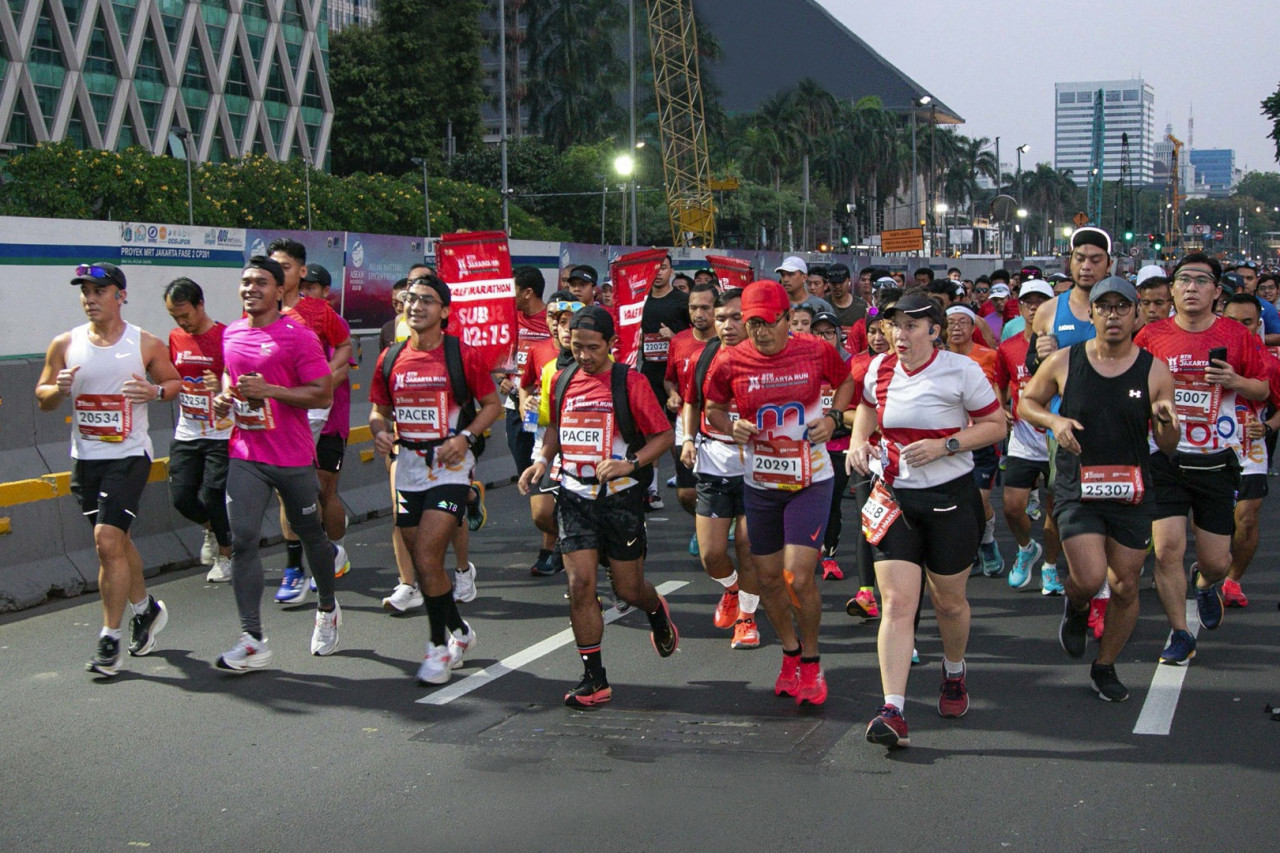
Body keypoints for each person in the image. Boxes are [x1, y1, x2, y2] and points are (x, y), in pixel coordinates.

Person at [847, 291, 1005, 748]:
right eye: (895, 324)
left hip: (950, 499)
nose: (899, 334)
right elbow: (867, 408)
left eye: (911, 325)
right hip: (895, 496)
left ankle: (953, 672)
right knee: (897, 603)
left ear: (935, 331)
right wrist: (858, 442)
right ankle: (892, 709)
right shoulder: (879, 368)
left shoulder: (962, 370)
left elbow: (996, 425)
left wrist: (945, 445)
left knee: (949, 603)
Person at [1020, 276, 1179, 701]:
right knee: (1090, 578)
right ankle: (1076, 606)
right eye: (1104, 307)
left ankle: (1105, 665)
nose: (1113, 315)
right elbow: (1027, 402)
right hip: (1078, 485)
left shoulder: (1154, 370)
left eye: (1122, 307)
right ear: (1091, 314)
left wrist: (1166, 422)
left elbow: (1168, 444)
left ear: (1137, 315)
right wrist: (1054, 421)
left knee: (1125, 585)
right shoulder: (1065, 361)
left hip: (1131, 488)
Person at [517, 306, 679, 707]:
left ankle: (655, 610)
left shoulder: (630, 382)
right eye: (577, 347)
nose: (584, 355)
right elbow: (554, 428)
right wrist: (541, 461)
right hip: (574, 495)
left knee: (628, 588)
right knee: (580, 586)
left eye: (593, 347)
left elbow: (664, 436)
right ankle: (595, 680)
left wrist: (630, 463)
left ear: (612, 344)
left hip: (620, 498)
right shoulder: (560, 377)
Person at [704, 281, 856, 707]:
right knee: (769, 578)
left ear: (788, 318)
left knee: (797, 576)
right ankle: (790, 652)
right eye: (752, 324)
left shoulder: (816, 350)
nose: (760, 332)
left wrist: (834, 417)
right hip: (760, 483)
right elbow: (713, 408)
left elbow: (846, 381)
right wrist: (729, 425)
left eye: (768, 323)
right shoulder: (729, 359)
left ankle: (812, 660)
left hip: (811, 480)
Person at [36, 262, 181, 676]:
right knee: (116, 544)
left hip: (129, 456)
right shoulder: (65, 343)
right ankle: (145, 609)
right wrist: (58, 389)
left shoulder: (145, 343)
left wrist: (153, 391)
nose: (90, 299)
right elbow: (43, 396)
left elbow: (174, 384)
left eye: (99, 291)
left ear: (121, 295)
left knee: (106, 541)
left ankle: (109, 639)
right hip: (86, 460)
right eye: (85, 291)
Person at [1135, 255, 1272, 664]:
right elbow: (1131, 387)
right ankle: (1180, 632)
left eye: (1201, 280)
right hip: (1166, 456)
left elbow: (1263, 389)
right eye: (1183, 280)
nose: (1191, 287)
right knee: (1167, 550)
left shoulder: (1236, 334)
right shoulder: (1151, 336)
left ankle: (1206, 583)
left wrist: (1235, 381)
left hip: (1216, 458)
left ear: (1216, 291)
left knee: (1216, 561)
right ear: (1172, 290)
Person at [369, 273, 502, 685]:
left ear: (444, 311)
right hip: (407, 467)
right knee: (424, 564)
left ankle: (436, 648)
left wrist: (465, 438)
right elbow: (378, 410)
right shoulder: (390, 357)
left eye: (426, 300)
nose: (416, 306)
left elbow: (492, 405)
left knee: (428, 556)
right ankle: (460, 630)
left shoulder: (462, 355)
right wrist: (379, 431)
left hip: (450, 467)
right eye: (411, 299)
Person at [210, 256, 337, 671]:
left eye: (261, 282)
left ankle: (327, 607)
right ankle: (252, 639)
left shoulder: (298, 337)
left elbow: (322, 394)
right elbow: (231, 374)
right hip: (246, 453)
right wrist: (226, 396)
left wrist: (272, 391)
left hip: (292, 455)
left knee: (311, 534)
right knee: (243, 539)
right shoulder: (231, 333)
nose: (251, 288)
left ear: (280, 291)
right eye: (246, 281)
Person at [266, 239, 354, 604]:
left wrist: (325, 378)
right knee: (287, 490)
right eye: (272, 266)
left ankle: (331, 549)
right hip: (280, 411)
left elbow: (346, 348)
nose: (277, 273)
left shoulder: (318, 312)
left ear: (300, 272)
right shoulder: (259, 311)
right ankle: (297, 567)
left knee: (322, 491)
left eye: (285, 267)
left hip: (324, 416)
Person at [680, 287, 764, 648]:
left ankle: (747, 617)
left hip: (757, 467)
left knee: (747, 546)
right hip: (713, 462)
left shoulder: (767, 358)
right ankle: (732, 588)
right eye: (720, 318)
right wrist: (687, 439)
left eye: (735, 318)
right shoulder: (707, 355)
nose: (727, 325)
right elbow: (692, 402)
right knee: (711, 554)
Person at [994, 279, 1063, 594]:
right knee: (1012, 507)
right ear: (1019, 308)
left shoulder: (1065, 344)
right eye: (1028, 302)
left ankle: (1050, 566)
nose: (1034, 308)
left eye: (1041, 302)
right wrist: (1000, 408)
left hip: (1057, 438)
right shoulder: (1008, 347)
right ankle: (1026, 548)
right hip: (1023, 437)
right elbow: (1000, 382)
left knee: (1054, 510)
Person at [163, 277, 233, 583]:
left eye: (185, 315)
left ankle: (226, 556)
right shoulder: (175, 338)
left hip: (221, 430)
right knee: (181, 498)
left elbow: (237, 377)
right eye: (175, 317)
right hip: (188, 430)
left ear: (200, 305)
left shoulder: (225, 336)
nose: (181, 322)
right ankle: (211, 528)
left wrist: (221, 388)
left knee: (214, 493)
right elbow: (171, 376)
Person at [1219, 292, 1280, 608]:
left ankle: (1233, 580)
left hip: (1249, 449)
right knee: (1212, 520)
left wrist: (1268, 427)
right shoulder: (1202, 354)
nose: (1240, 329)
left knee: (1247, 516)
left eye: (1247, 322)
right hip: (1205, 448)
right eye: (1232, 321)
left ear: (1258, 325)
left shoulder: (1269, 362)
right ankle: (1211, 565)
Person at [520, 292, 580, 576]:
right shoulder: (540, 354)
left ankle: (565, 550)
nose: (560, 325)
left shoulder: (596, 356)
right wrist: (527, 408)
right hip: (546, 439)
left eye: (568, 319)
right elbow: (526, 387)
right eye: (555, 318)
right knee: (541, 513)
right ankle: (568, 544)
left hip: (583, 448)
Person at [943, 305, 1003, 577]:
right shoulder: (937, 358)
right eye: (951, 323)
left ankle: (987, 541)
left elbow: (1001, 385)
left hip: (981, 440)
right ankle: (970, 552)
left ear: (972, 327)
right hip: (949, 441)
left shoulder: (989, 356)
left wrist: (1000, 410)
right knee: (958, 504)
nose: (956, 328)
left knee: (978, 501)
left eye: (962, 322)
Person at [665, 282, 720, 534]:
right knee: (686, 493)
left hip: (719, 424)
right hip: (686, 422)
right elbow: (669, 379)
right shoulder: (679, 341)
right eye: (693, 307)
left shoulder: (728, 341)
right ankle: (707, 523)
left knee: (721, 485)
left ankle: (712, 529)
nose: (699, 314)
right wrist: (673, 394)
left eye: (705, 308)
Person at [639, 254, 691, 511]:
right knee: (651, 430)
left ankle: (686, 480)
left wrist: (675, 336)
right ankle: (652, 489)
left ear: (671, 271)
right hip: (648, 371)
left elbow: (697, 335)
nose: (658, 272)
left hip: (676, 374)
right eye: (655, 268)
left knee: (676, 427)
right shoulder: (641, 301)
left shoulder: (682, 301)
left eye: (663, 268)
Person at [810, 311, 854, 581]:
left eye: (829, 332)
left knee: (832, 501)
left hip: (839, 444)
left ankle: (829, 556)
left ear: (839, 335)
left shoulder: (851, 363)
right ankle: (809, 546)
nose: (824, 338)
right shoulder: (802, 362)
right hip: (807, 446)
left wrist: (838, 419)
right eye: (818, 332)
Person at [502, 266, 550, 475]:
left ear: (528, 292)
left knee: (544, 466)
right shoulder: (510, 318)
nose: (508, 295)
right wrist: (501, 378)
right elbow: (499, 354)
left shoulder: (553, 319)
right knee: (523, 465)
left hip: (545, 405)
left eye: (512, 289)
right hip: (517, 404)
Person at [824, 263, 868, 329]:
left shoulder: (861, 306)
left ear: (849, 281)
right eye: (834, 283)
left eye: (841, 283)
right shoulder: (823, 306)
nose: (837, 286)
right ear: (828, 283)